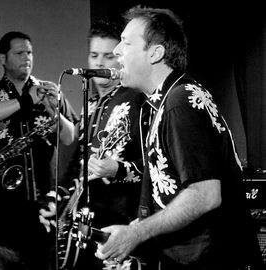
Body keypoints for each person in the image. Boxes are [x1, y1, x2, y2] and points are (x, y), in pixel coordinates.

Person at [95, 6, 264, 270]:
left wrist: (137, 234)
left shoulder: (179, 102)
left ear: (155, 53)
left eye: (126, 43)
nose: (116, 51)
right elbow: (170, 192)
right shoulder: (164, 101)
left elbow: (205, 194)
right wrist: (133, 230)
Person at [0, 31, 79, 270]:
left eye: (29, 52)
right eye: (19, 53)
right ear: (3, 58)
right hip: (3, 202)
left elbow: (69, 136)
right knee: (1, 263)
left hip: (44, 201)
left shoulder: (49, 90)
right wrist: (26, 101)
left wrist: (54, 111)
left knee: (43, 263)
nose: (26, 58)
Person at [53, 20, 147, 270]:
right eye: (94, 55)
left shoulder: (138, 100)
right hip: (85, 226)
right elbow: (76, 165)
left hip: (121, 224)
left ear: (120, 57)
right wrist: (56, 198)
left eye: (108, 55)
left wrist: (118, 169)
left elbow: (155, 164)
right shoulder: (91, 104)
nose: (99, 63)